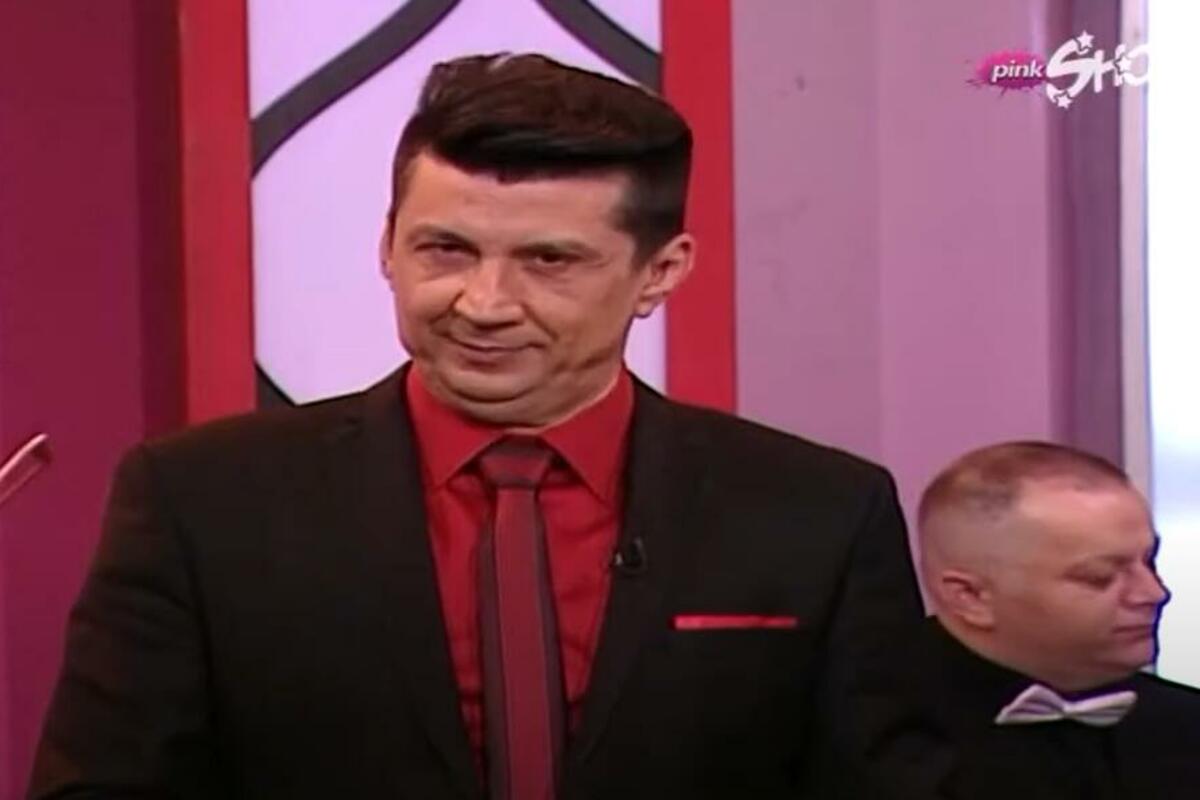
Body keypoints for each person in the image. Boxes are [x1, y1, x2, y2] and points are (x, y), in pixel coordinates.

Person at [29, 53, 920, 799]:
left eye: (549, 260)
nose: (483, 303)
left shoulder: (818, 517)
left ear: (660, 272)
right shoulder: (201, 501)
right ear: (387, 246)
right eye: (445, 250)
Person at [854, 441, 1200, 800]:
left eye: (1149, 562)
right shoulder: (860, 733)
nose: (1154, 593)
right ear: (970, 596)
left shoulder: (1183, 722)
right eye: (1099, 577)